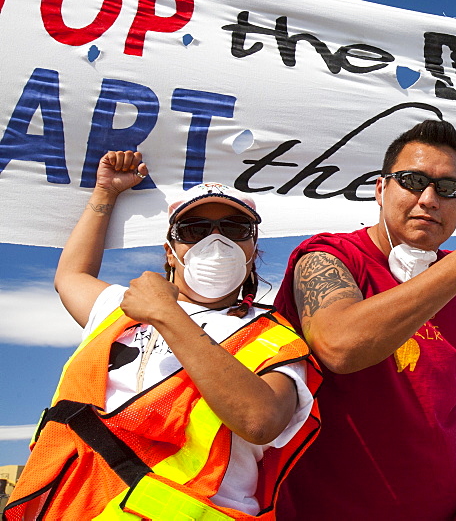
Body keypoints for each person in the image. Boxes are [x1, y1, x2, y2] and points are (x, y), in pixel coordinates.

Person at [3, 151, 320, 521]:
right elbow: (71, 276)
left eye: (234, 229)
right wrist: (105, 194)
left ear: (253, 249)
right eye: (195, 230)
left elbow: (261, 421)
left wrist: (167, 314)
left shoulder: (275, 338)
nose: (216, 241)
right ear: (170, 252)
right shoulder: (120, 310)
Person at [272, 119, 456, 520]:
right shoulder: (327, 257)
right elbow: (340, 346)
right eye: (412, 181)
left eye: (448, 188)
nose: (429, 199)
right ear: (381, 189)